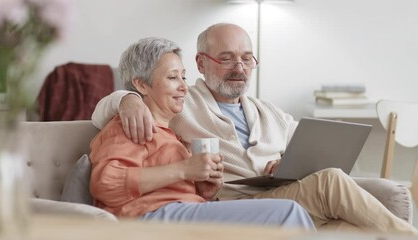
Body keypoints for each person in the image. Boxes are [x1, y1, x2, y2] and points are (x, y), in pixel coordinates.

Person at [91, 24, 417, 234]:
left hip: (273, 192)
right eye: (228, 58)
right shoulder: (180, 104)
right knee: (330, 182)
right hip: (232, 202)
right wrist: (127, 99)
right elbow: (117, 113)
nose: (240, 68)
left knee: (350, 226)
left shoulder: (268, 111)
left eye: (247, 58)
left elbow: (307, 146)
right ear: (202, 63)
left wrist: (287, 168)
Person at [89, 37, 314, 229]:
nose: (184, 87)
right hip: (150, 217)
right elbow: (106, 184)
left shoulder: (170, 133)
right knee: (287, 212)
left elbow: (174, 187)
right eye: (172, 77)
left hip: (185, 210)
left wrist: (204, 186)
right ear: (142, 85)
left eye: (184, 77)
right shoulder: (130, 126)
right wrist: (184, 169)